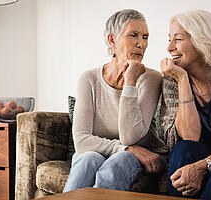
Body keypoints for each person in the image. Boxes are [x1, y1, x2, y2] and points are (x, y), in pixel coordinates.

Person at [63, 9, 168, 192]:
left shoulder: (152, 78)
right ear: (112, 40)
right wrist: (128, 148)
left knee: (119, 161)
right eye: (133, 35)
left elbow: (130, 136)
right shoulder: (88, 79)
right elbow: (81, 140)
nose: (141, 44)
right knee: (88, 159)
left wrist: (130, 82)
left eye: (145, 37)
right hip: (112, 153)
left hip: (144, 156)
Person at [160, 9, 211, 199]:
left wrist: (203, 166)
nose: (169, 48)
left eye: (178, 39)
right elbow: (188, 138)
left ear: (201, 40)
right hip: (199, 155)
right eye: (169, 39)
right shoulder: (173, 79)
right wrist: (182, 80)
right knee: (183, 150)